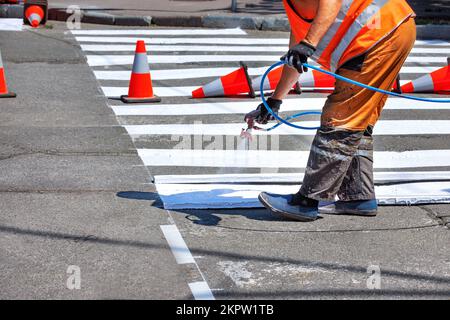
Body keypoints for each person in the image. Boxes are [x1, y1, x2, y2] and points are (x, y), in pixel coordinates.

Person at [247, 0, 417, 222]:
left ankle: (306, 201)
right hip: (392, 30)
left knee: (340, 117)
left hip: (377, 35)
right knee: (358, 118)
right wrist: (275, 100)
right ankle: (358, 197)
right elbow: (296, 51)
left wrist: (309, 44)